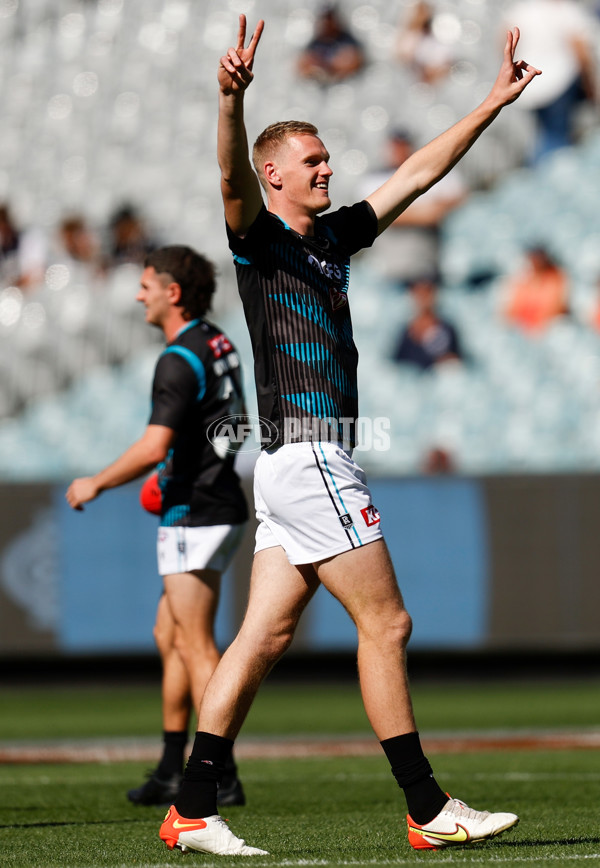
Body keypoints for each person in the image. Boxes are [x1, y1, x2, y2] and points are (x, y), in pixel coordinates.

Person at [159, 16, 540, 856]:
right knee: (388, 624)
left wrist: (490, 103)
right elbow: (227, 175)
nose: (328, 167)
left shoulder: (332, 237)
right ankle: (427, 807)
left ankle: (190, 809)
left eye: (327, 158)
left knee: (262, 637)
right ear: (274, 176)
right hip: (311, 452)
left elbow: (416, 172)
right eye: (313, 161)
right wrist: (231, 101)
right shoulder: (257, 239)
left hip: (296, 464)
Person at [65, 245, 248, 808]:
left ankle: (219, 772)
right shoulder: (216, 340)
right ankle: (174, 765)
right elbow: (228, 428)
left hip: (194, 514)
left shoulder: (177, 357)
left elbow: (152, 446)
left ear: (172, 292)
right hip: (216, 503)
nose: (138, 294)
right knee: (169, 636)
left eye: (147, 284)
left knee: (195, 645)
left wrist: (96, 481)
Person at [358, 130, 467, 289]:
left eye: (403, 146)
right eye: (395, 147)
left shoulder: (428, 172)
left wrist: (406, 213)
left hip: (428, 260)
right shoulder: (374, 178)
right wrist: (426, 213)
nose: (399, 152)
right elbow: (380, 216)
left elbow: (458, 197)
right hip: (390, 265)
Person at [502, 0, 597, 163]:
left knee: (538, 134)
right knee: (557, 136)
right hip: (560, 84)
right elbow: (581, 53)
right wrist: (591, 88)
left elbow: (504, 42)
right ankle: (553, 176)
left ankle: (537, 168)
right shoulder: (569, 12)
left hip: (528, 86)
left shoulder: (522, 9)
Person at [394, 275, 463, 369]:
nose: (424, 298)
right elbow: (396, 365)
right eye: (419, 293)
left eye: (427, 292)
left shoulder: (448, 329)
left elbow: (459, 361)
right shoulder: (406, 331)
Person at [503, 245, 569, 333]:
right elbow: (510, 312)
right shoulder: (521, 282)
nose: (534, 265)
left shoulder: (555, 279)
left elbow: (553, 311)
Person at [296, 3, 366, 86]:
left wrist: (331, 67)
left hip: (344, 84)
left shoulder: (348, 39)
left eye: (329, 19)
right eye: (324, 18)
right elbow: (302, 65)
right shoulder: (315, 42)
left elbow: (355, 61)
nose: (326, 22)